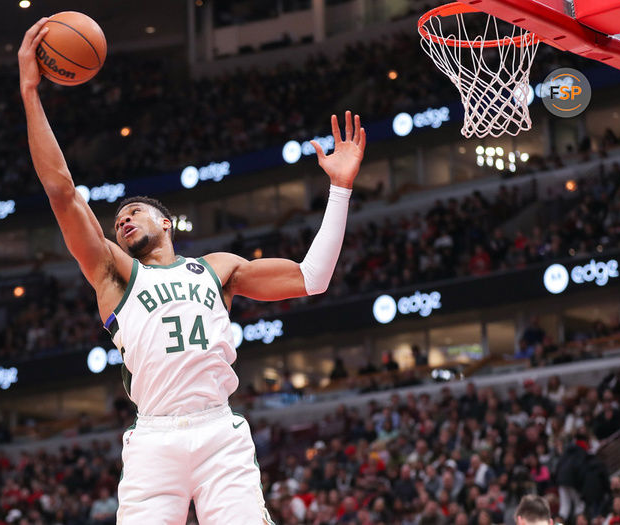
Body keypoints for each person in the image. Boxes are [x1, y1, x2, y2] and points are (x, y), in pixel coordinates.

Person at [18, 18, 367, 525]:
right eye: (118, 221)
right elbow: (63, 192)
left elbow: (312, 277)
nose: (122, 220)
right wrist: (31, 92)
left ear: (165, 222)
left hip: (217, 432)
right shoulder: (115, 276)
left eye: (134, 212)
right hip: (154, 440)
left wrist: (340, 190)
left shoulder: (217, 270)